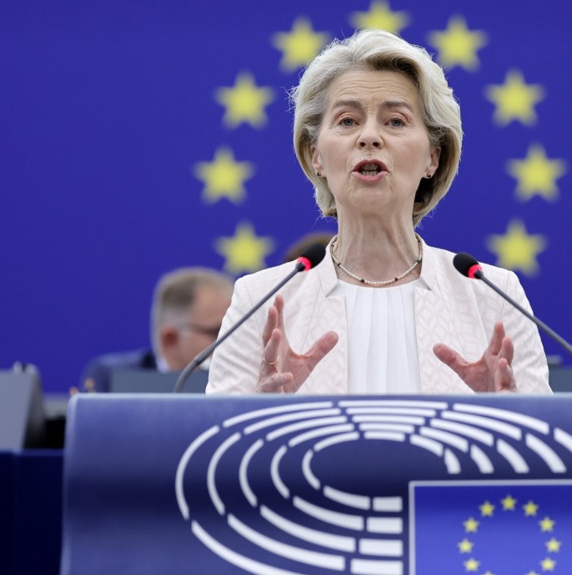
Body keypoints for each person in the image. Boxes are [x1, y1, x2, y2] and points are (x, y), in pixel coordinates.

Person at [207, 29, 551, 395]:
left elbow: (543, 447)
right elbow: (214, 448)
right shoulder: (260, 301)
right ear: (316, 155)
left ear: (432, 157)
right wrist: (261, 415)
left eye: (396, 121)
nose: (369, 136)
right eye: (348, 121)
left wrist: (506, 416)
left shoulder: (492, 295)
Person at [81, 267, 234, 392]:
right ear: (171, 340)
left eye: (234, 332)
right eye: (217, 333)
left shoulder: (242, 382)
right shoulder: (110, 379)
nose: (232, 344)